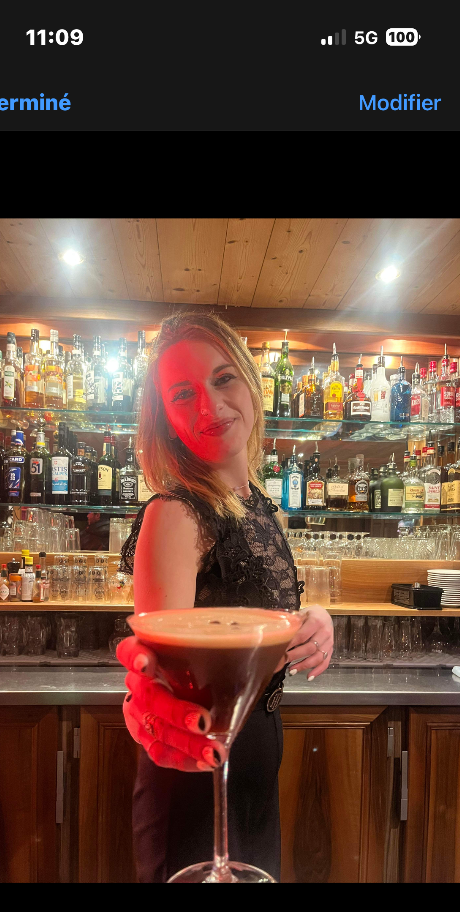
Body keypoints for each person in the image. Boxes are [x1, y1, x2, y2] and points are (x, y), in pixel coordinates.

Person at [117, 312, 333, 882]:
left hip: (255, 763)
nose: (210, 406)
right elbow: (158, 682)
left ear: (251, 383)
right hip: (194, 776)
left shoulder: (255, 503)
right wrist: (144, 704)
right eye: (182, 394)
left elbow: (257, 614)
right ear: (165, 420)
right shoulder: (175, 513)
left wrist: (311, 620)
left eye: (223, 378)